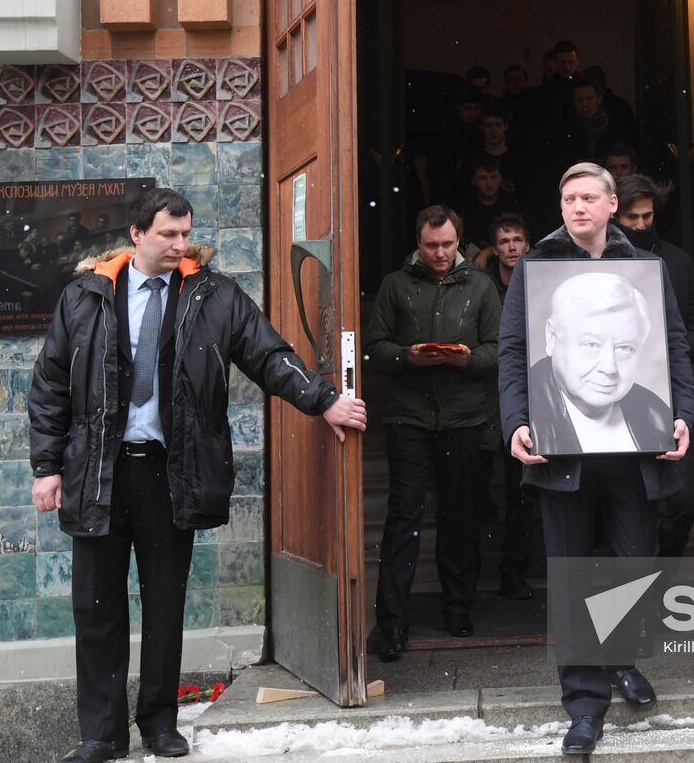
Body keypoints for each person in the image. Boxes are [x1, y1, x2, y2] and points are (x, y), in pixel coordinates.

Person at [29, 187, 366, 763]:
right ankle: (101, 736)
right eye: (168, 234)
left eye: (185, 234)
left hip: (170, 471)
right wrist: (46, 466)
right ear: (137, 234)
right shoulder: (84, 296)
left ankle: (160, 723)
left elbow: (268, 355)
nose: (181, 244)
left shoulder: (215, 296)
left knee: (165, 601)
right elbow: (51, 383)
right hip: (98, 472)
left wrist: (323, 399)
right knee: (96, 604)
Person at [498, 162, 694, 756]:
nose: (577, 206)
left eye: (588, 197)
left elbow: (674, 345)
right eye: (568, 198)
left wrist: (681, 414)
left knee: (637, 565)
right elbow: (512, 350)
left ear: (613, 205)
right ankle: (584, 704)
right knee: (573, 577)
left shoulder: (646, 268)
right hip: (562, 454)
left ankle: (619, 659)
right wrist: (515, 422)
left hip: (636, 450)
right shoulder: (535, 269)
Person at [365, 206, 502, 662]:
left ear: (459, 241)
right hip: (408, 416)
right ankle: (392, 622)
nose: (439, 254)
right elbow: (374, 347)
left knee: (460, 515)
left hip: (464, 418)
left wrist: (466, 359)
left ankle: (458, 606)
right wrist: (408, 357)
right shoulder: (395, 285)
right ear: (418, 243)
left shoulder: (481, 287)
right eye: (430, 246)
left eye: (446, 245)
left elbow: (499, 350)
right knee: (403, 516)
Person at [613, 173, 694, 557]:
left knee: (686, 498)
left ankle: (660, 573)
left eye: (647, 216)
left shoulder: (677, 261)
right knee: (630, 502)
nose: (639, 225)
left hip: (668, 393)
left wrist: (674, 351)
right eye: (631, 217)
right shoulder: (601, 264)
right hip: (613, 395)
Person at [529, 271, 675, 456]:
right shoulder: (525, 415)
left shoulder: (656, 415)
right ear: (551, 338)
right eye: (591, 344)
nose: (609, 368)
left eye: (624, 348)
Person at [475, 213, 538, 600]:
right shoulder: (483, 287)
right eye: (504, 241)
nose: (512, 247)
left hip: (529, 395)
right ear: (494, 248)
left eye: (518, 239)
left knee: (521, 491)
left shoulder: (540, 281)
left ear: (528, 245)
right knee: (479, 483)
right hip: (486, 397)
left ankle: (513, 571)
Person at [459, 155, 522, 251]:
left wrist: (489, 251)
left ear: (501, 178)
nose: (489, 184)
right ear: (473, 180)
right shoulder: (464, 207)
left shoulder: (513, 206)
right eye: (483, 178)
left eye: (494, 177)